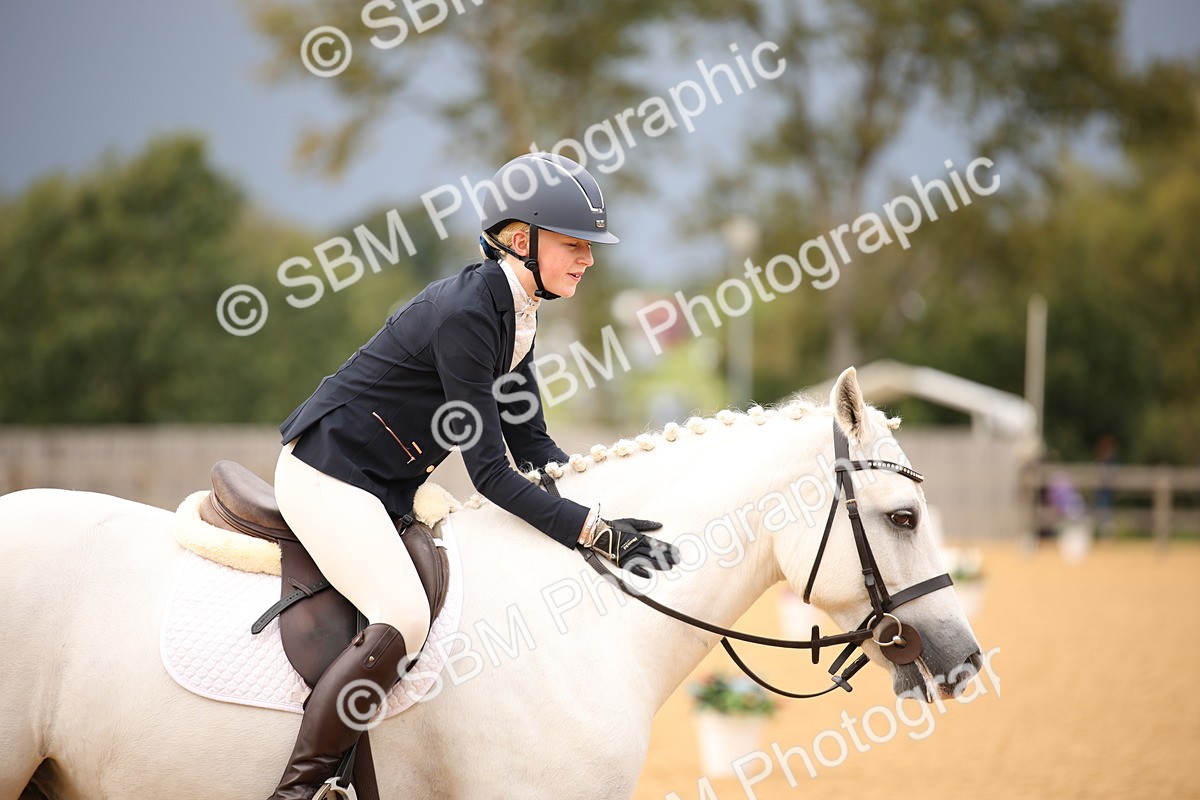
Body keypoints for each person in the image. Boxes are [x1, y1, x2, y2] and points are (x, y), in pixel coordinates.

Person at [267, 152, 680, 800]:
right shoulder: (467, 315)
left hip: (384, 486)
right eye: (575, 244)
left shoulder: (516, 312)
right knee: (401, 615)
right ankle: (302, 788)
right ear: (522, 240)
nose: (588, 260)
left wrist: (603, 507)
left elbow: (532, 441)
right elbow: (489, 473)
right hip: (329, 475)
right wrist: (596, 534)